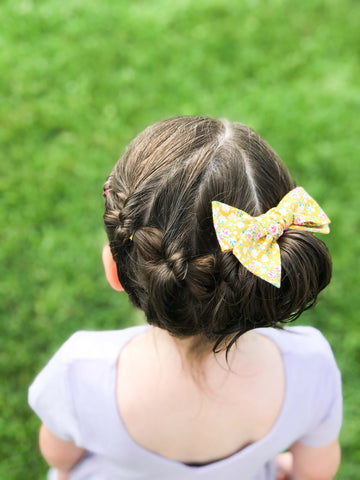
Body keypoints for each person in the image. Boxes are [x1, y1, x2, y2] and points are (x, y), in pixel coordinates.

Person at [29, 116, 342, 480]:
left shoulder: (79, 370)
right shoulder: (310, 365)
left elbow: (61, 458)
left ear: (114, 271)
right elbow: (314, 473)